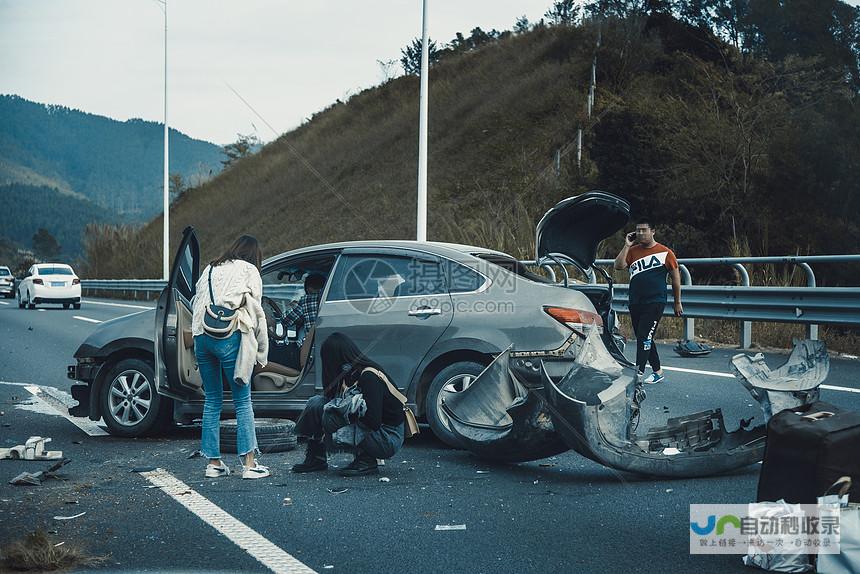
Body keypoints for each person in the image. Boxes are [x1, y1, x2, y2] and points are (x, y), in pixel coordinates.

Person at [192, 235, 270, 480]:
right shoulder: (249, 270)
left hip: (201, 336)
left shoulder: (210, 269)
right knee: (242, 402)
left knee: (212, 400)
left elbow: (196, 300)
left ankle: (213, 464)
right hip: (229, 335)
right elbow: (255, 306)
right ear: (254, 255)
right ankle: (249, 464)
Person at [292, 333, 405, 477]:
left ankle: (367, 460)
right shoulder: (348, 375)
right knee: (316, 403)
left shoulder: (369, 376)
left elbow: (373, 421)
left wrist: (339, 418)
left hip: (386, 437)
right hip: (371, 431)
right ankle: (316, 458)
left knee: (333, 412)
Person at [614, 218, 683, 385]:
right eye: (638, 230)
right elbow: (618, 265)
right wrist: (627, 245)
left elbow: (675, 279)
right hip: (636, 301)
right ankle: (658, 371)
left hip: (655, 301)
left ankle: (638, 374)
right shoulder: (633, 251)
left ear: (653, 231)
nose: (640, 233)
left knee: (644, 336)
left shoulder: (666, 253)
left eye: (644, 230)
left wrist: (677, 302)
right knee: (644, 337)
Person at [279, 273, 325, 368]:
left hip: (311, 351)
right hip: (324, 348)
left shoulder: (307, 300)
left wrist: (293, 306)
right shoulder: (327, 301)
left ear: (308, 288)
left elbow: (286, 320)